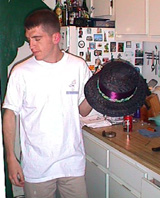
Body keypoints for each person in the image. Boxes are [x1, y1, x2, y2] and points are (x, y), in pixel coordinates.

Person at [2, 9, 92, 198]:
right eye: (29, 40)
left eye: (37, 39)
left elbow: (83, 110)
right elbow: (9, 114)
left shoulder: (77, 66)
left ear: (55, 37)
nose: (31, 45)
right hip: (37, 167)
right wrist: (11, 158)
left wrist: (100, 94)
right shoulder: (21, 72)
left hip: (72, 164)